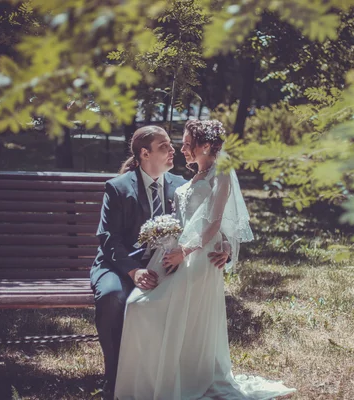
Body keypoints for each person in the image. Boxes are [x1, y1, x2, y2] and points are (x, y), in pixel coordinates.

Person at [114, 120, 296, 399]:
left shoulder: (221, 174)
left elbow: (214, 221)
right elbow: (190, 218)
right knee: (138, 306)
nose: (182, 148)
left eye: (188, 143)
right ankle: (152, 380)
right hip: (177, 253)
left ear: (206, 146)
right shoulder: (193, 177)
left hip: (199, 258)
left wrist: (197, 249)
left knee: (151, 309)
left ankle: (181, 378)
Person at [90, 125, 230, 395]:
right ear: (145, 153)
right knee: (111, 296)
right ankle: (115, 377)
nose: (173, 149)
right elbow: (108, 238)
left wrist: (225, 249)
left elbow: (208, 219)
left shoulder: (180, 185)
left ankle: (165, 375)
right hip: (119, 265)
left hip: (166, 263)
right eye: (165, 146)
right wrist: (133, 272)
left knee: (172, 299)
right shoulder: (118, 188)